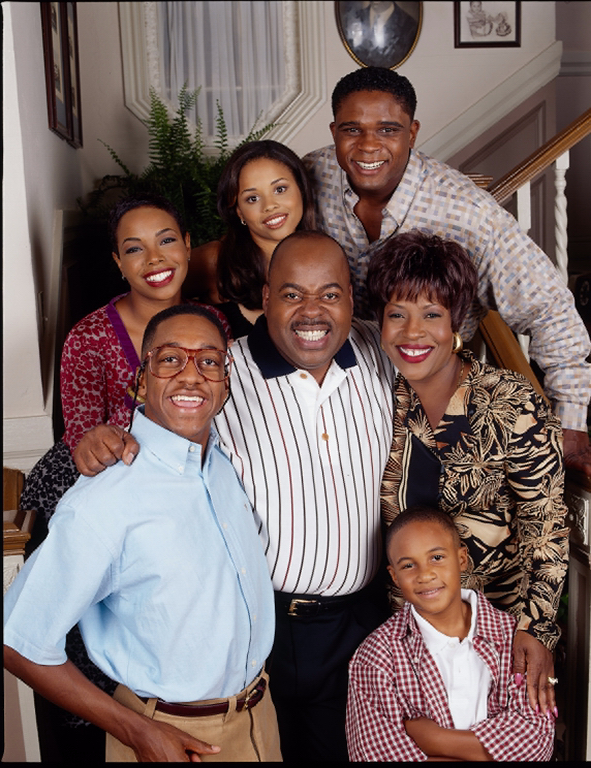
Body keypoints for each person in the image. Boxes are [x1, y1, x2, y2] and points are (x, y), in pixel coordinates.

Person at [71, 230, 396, 763]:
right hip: (262, 628)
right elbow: (159, 432)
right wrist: (102, 437)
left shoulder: (377, 354)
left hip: (364, 619)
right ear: (265, 298)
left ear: (351, 300)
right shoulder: (222, 373)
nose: (312, 312)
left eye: (330, 294)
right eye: (292, 294)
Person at [302, 65, 591, 488]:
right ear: (334, 130)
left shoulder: (469, 215)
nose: (368, 146)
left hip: (433, 404)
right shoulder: (311, 176)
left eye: (388, 130)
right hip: (335, 392)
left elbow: (551, 312)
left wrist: (572, 427)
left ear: (412, 133)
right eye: (351, 129)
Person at [4, 305, 281, 762]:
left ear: (226, 383)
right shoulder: (106, 500)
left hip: (258, 717)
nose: (192, 376)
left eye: (209, 361)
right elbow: (17, 639)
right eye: (170, 359)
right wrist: (137, 732)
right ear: (140, 379)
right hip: (170, 735)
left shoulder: (224, 464)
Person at [18, 192, 229, 761]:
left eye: (166, 240)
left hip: (186, 496)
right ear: (117, 263)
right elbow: (86, 437)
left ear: (188, 246)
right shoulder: (88, 338)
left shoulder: (216, 322)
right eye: (133, 249)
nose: (153, 258)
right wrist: (102, 442)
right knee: (90, 644)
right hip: (105, 489)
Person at [367, 230, 568, 716]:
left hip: (501, 634)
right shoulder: (379, 398)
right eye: (398, 314)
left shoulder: (508, 401)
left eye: (432, 314)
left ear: (457, 322)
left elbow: (547, 527)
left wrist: (536, 630)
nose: (413, 332)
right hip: (408, 639)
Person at [346, 506, 555, 761]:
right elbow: (375, 756)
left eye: (436, 557)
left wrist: (434, 739)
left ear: (462, 558)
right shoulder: (376, 657)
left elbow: (536, 745)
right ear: (395, 577)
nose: (425, 574)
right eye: (409, 565)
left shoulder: (511, 638)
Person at [184, 139, 317, 338]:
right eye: (252, 198)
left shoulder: (325, 258)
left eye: (280, 189)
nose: (270, 206)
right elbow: (144, 300)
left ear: (301, 189)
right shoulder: (214, 260)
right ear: (239, 211)